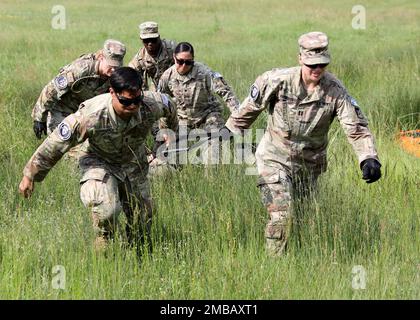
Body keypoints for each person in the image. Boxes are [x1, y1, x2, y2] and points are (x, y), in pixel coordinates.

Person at [225, 31, 382, 256]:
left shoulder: (335, 91)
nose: (317, 70)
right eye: (311, 65)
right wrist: (228, 132)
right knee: (282, 215)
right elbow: (249, 108)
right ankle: (274, 268)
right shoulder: (276, 81)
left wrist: (368, 158)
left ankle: (301, 256)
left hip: (309, 166)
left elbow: (355, 128)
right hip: (274, 159)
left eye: (322, 65)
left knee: (305, 218)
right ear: (300, 59)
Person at [19, 67, 178, 252]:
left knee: (143, 217)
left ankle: (137, 253)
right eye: (126, 101)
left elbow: (171, 109)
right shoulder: (91, 115)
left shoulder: (152, 104)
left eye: (137, 100)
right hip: (98, 161)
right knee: (108, 209)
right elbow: (55, 143)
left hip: (132, 161)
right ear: (112, 93)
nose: (133, 106)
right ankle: (104, 237)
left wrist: (168, 133)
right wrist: (30, 175)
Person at [156, 41, 240, 165]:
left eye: (188, 62)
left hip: (208, 116)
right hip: (182, 120)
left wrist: (238, 119)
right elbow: (159, 101)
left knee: (213, 151)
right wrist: (163, 129)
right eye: (180, 61)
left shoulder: (204, 72)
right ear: (174, 58)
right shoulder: (167, 76)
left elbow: (227, 93)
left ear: (193, 60)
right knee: (171, 154)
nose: (184, 66)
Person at [32, 39, 126, 139]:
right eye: (110, 65)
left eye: (117, 66)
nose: (114, 70)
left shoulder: (115, 76)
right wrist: (39, 118)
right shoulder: (81, 69)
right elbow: (51, 90)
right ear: (101, 58)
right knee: (61, 142)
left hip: (86, 115)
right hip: (62, 110)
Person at [128, 21, 176, 91]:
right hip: (157, 89)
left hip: (176, 87)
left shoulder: (172, 49)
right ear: (141, 40)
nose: (150, 43)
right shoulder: (140, 58)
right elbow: (131, 76)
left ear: (159, 37)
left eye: (153, 40)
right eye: (146, 40)